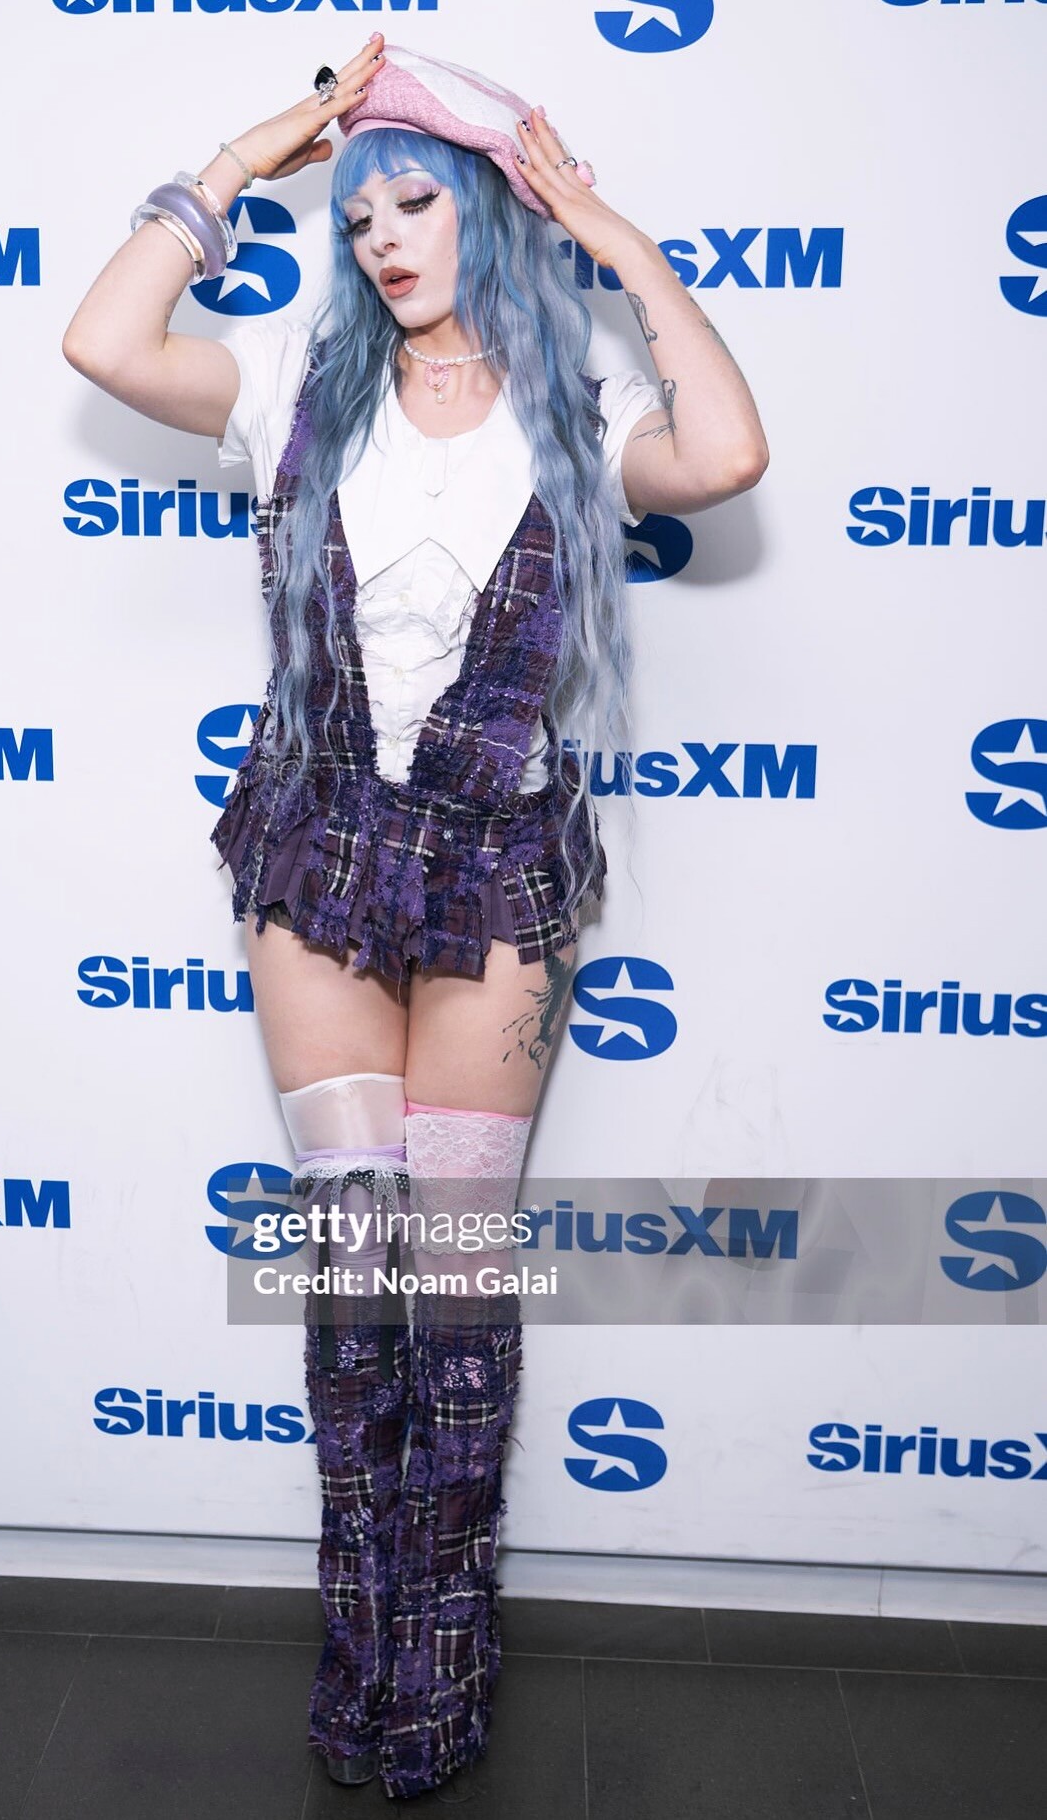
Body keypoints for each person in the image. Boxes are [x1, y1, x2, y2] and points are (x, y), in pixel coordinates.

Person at [63, 35, 768, 1801]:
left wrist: (607, 231)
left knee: (453, 1290)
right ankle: (359, 1647)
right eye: (361, 212)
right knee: (352, 1273)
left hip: (497, 867)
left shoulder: (579, 409)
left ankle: (440, 1662)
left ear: (489, 213)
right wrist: (257, 151)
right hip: (316, 854)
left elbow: (728, 454)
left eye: (414, 203)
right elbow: (105, 343)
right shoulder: (294, 382)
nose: (380, 236)